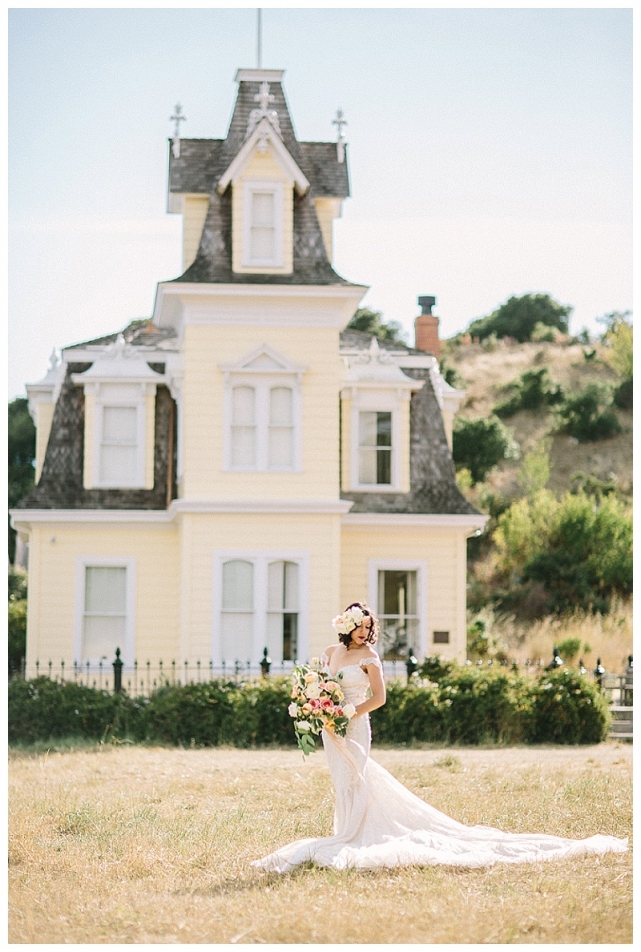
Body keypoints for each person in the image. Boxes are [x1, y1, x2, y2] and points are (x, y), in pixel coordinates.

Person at [252, 602, 628, 872]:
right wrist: (316, 708)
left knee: (358, 777)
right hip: (330, 729)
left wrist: (349, 711)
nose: (364, 632)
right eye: (359, 626)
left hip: (354, 723)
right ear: (346, 625)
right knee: (341, 780)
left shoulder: (371, 656)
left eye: (368, 628)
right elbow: (319, 684)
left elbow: (379, 697)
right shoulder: (330, 651)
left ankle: (355, 834)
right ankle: (346, 829)